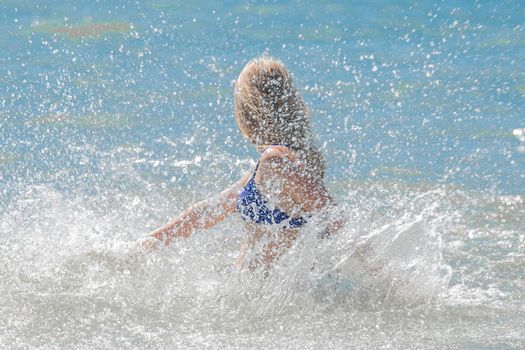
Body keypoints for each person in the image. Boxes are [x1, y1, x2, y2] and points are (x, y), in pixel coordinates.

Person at [143, 56, 339, 272]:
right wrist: (156, 239)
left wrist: (377, 271)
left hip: (265, 295)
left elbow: (335, 217)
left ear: (248, 109)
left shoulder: (277, 161)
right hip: (254, 292)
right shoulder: (272, 163)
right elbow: (214, 208)